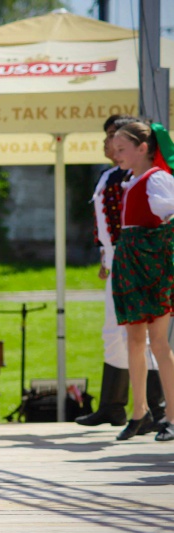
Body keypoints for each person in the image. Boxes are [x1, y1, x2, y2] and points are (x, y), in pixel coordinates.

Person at [76, 115, 165, 428]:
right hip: (117, 259)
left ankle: (155, 407)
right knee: (115, 332)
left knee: (143, 334)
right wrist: (105, 255)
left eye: (116, 137)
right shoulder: (110, 176)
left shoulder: (142, 177)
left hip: (136, 260)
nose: (110, 144)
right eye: (109, 137)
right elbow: (107, 221)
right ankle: (114, 405)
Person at [111, 121, 174, 442]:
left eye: (122, 149)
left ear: (143, 148)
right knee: (134, 340)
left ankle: (173, 415)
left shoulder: (156, 178)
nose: (116, 154)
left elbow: (169, 213)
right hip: (131, 265)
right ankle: (140, 411)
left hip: (151, 267)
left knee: (159, 342)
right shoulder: (132, 180)